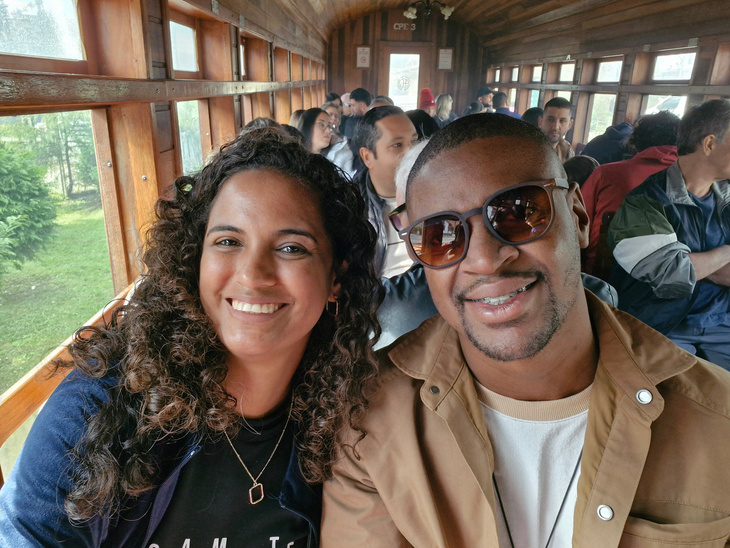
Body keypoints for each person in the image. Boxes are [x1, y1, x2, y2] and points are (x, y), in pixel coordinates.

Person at [321, 114, 730, 547]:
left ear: (578, 216)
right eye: (440, 235)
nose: (484, 259)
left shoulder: (716, 420)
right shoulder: (367, 422)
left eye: (520, 212)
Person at [0, 128, 381, 546]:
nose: (253, 275)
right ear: (194, 260)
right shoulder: (97, 411)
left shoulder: (350, 418)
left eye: (291, 248)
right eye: (228, 241)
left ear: (335, 278)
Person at [608, 99, 730, 369]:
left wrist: (695, 263)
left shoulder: (727, 200)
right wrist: (725, 252)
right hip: (662, 324)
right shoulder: (645, 202)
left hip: (722, 323)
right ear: (710, 144)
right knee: (678, 390)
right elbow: (673, 275)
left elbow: (683, 268)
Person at [581, 111, 679, 277]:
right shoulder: (694, 183)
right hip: (667, 280)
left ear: (637, 140)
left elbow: (576, 223)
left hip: (600, 277)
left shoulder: (606, 174)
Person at [352, 106, 418, 277]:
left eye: (414, 141)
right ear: (367, 157)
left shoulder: (435, 194)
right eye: (397, 145)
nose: (412, 153)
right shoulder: (350, 207)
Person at [321, 100, 356, 178]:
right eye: (330, 115)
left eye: (336, 116)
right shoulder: (314, 141)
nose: (333, 118)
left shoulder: (343, 145)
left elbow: (348, 177)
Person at [539, 97, 575, 162]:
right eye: (551, 120)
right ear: (540, 122)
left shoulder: (566, 150)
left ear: (570, 125)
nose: (556, 127)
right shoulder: (526, 148)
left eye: (562, 121)